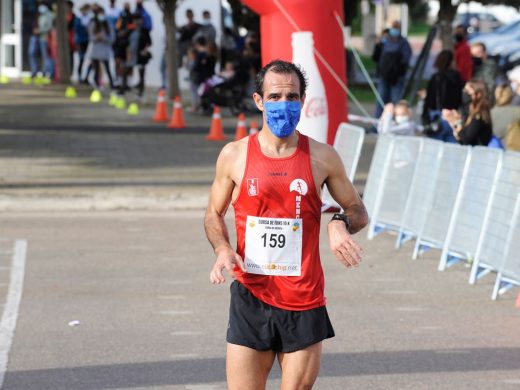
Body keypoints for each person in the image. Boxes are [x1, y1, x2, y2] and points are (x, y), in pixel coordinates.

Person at [204, 59, 368, 389]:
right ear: (259, 101)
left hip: (304, 300)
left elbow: (357, 210)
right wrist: (222, 248)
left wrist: (337, 222)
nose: (284, 104)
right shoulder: (235, 155)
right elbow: (213, 214)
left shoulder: (322, 156)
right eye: (275, 97)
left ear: (302, 101)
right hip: (251, 295)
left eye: (292, 97)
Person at [422, 49, 464, 143]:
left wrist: (425, 115)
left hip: (437, 114)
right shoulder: (457, 77)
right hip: (452, 114)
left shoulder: (436, 77)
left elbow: (429, 99)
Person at [374, 21, 412, 118]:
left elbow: (405, 60)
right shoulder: (385, 41)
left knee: (396, 101)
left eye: (397, 27)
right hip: (384, 76)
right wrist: (377, 45)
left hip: (397, 77)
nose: (394, 30)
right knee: (381, 101)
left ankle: (395, 123)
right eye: (393, 27)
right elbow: (376, 57)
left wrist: (397, 71)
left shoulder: (403, 43)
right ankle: (378, 124)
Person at [442, 79, 493, 146]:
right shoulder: (470, 111)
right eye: (464, 91)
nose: (465, 94)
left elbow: (466, 139)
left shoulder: (479, 115)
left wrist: (455, 121)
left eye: (467, 92)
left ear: (478, 95)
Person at [88, 7, 115, 90]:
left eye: (103, 13)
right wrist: (96, 37)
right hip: (96, 50)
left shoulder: (108, 25)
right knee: (96, 69)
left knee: (107, 68)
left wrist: (103, 37)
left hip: (105, 50)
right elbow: (91, 37)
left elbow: (112, 38)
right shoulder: (93, 24)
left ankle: (111, 84)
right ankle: (96, 83)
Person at [28, 2, 55, 79]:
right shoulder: (40, 14)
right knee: (33, 53)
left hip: (46, 38)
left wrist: (39, 31)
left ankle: (48, 73)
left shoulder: (50, 15)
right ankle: (37, 71)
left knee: (46, 56)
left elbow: (49, 27)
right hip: (38, 37)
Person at [470, 42, 498, 107]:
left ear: (485, 53)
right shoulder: (472, 68)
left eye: (478, 53)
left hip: (489, 104)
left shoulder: (490, 66)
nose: (476, 56)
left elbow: (489, 85)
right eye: (473, 55)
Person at [73, 3, 91, 82]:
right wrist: (86, 29)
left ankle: (86, 76)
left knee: (89, 59)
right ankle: (79, 76)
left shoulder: (89, 18)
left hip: (87, 41)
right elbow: (77, 29)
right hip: (80, 41)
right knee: (81, 59)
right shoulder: (78, 18)